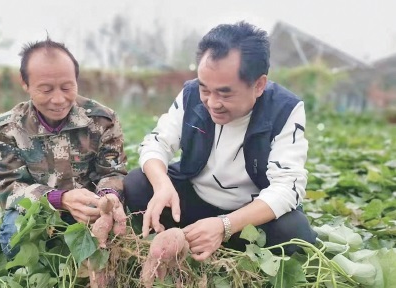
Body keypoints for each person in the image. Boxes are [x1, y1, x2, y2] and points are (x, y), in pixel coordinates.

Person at [124, 21, 317, 261]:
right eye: (206, 89)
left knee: (293, 233)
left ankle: (220, 240)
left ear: (259, 85)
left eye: (225, 93)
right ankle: (186, 237)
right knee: (137, 183)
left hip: (247, 213)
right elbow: (156, 143)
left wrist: (225, 225)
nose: (212, 103)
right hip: (194, 200)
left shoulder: (285, 110)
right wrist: (162, 184)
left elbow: (287, 188)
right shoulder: (191, 94)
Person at [0, 37, 127, 258]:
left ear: (76, 80)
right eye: (45, 90)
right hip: (41, 209)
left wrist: (107, 197)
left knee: (119, 241)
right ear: (25, 85)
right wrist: (58, 199)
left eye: (67, 87)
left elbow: (113, 171)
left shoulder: (102, 120)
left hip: (91, 210)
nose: (59, 99)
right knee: (14, 240)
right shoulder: (7, 128)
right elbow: (6, 185)